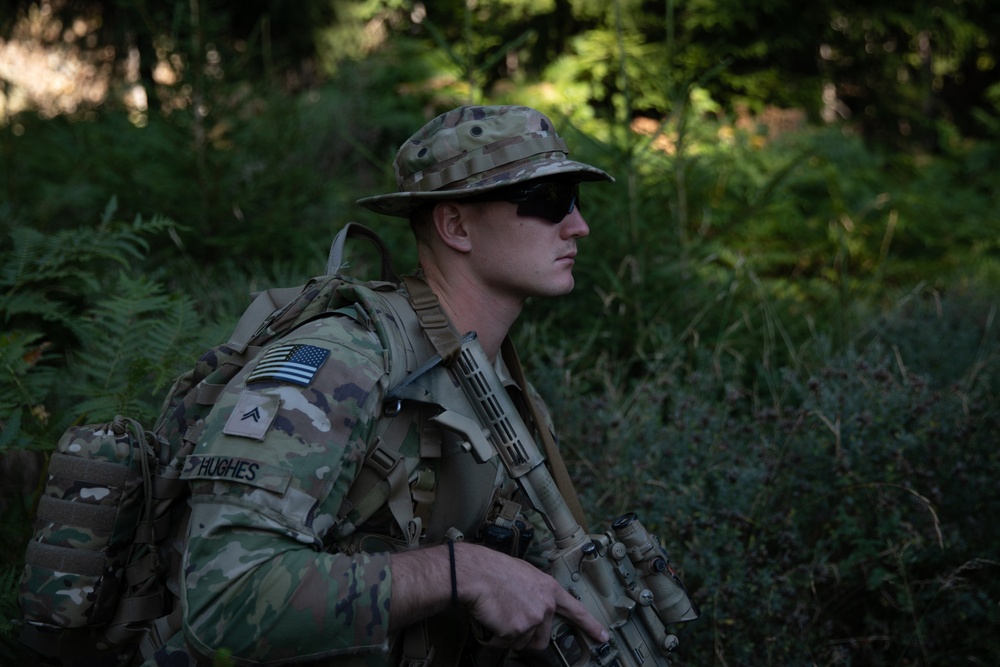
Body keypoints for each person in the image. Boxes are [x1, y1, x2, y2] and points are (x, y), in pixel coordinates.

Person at [161, 104, 615, 666]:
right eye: (547, 201)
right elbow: (223, 601)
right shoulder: (339, 362)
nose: (578, 226)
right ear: (455, 226)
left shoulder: (505, 393)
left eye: (576, 199)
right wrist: (461, 572)